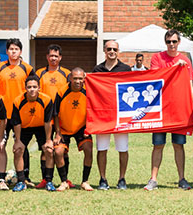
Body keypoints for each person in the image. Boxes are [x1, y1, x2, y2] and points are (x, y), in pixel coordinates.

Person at [144, 29, 193, 191]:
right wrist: (174, 67)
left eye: (174, 41)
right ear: (165, 43)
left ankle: (182, 179)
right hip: (160, 109)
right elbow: (155, 78)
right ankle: (153, 179)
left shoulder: (185, 60)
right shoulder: (157, 58)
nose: (171, 44)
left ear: (179, 42)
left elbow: (190, 86)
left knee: (178, 145)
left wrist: (192, 109)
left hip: (179, 110)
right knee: (158, 145)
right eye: (168, 42)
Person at [0, 38, 34, 187]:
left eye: (16, 49)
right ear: (7, 51)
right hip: (3, 114)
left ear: (20, 51)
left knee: (21, 144)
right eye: (11, 49)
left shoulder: (27, 69)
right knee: (0, 144)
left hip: (21, 114)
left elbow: (32, 88)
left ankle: (25, 175)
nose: (13, 51)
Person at [92, 40, 133, 190]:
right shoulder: (97, 70)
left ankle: (122, 179)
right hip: (102, 116)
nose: (111, 51)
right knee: (102, 148)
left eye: (114, 49)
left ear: (118, 51)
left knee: (123, 148)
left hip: (121, 115)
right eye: (109, 49)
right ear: (104, 50)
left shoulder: (126, 68)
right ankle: (103, 179)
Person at [35, 44, 74, 189]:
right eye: (51, 55)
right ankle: (45, 179)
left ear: (60, 58)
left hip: (61, 117)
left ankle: (66, 179)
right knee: (46, 149)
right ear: (47, 57)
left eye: (56, 56)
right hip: (44, 117)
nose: (53, 58)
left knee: (62, 149)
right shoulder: (39, 73)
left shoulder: (66, 73)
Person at [10, 75, 54, 192]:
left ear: (39, 88)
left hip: (41, 127)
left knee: (48, 150)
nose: (32, 89)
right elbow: (17, 123)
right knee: (18, 150)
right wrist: (18, 141)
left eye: (35, 87)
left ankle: (48, 181)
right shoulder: (17, 101)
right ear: (25, 88)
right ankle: (21, 181)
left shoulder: (46, 100)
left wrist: (49, 140)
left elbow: (48, 122)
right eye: (29, 87)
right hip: (25, 127)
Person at [54, 68, 94, 191]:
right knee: (58, 152)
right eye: (75, 78)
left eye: (80, 78)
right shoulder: (61, 92)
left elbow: (94, 110)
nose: (78, 81)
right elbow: (55, 113)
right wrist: (58, 133)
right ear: (70, 78)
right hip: (64, 127)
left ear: (84, 79)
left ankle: (85, 181)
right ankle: (64, 182)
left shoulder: (88, 91)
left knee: (88, 149)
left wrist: (89, 127)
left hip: (81, 127)